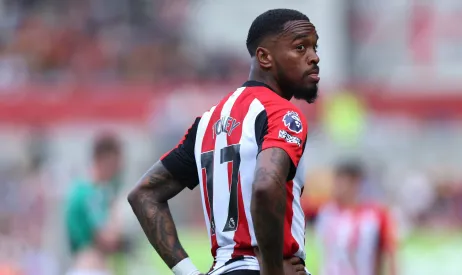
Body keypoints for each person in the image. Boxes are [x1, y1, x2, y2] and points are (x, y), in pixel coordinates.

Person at [128, 8, 319, 275]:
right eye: (300, 48)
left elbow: (144, 195)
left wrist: (189, 273)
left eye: (314, 47)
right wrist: (273, 270)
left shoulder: (206, 122)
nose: (314, 57)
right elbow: (265, 186)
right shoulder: (282, 113)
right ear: (264, 57)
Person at [315, 160, 397, 275]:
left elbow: (389, 253)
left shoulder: (375, 215)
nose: (336, 186)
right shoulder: (326, 212)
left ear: (355, 182)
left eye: (341, 181)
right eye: (335, 181)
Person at [64, 133, 125, 275]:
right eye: (115, 164)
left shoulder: (84, 190)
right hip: (90, 268)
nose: (118, 170)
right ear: (104, 159)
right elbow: (107, 238)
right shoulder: (90, 193)